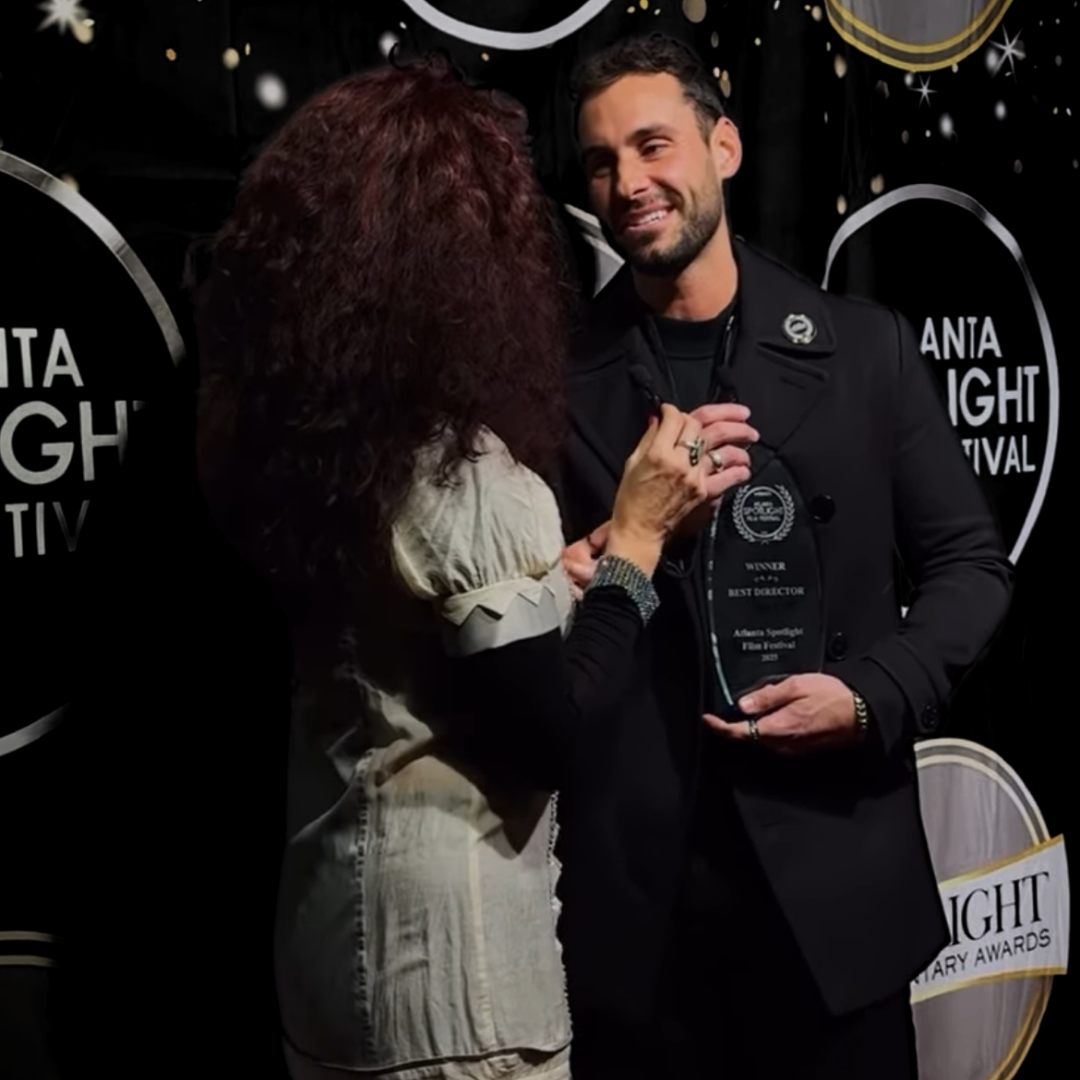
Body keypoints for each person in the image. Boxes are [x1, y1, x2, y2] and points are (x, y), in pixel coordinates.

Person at [192, 55, 750, 1080]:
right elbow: (552, 738)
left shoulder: (322, 443)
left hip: (330, 961)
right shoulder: (464, 462)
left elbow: (433, 647)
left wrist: (560, 576)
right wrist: (633, 543)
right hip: (454, 993)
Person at [553, 34, 1014, 1079]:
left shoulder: (863, 350)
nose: (629, 183)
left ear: (724, 145)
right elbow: (531, 620)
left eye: (653, 144)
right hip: (637, 923)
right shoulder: (551, 375)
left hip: (832, 897)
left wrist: (866, 695)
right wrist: (586, 558)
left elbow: (971, 569)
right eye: (599, 161)